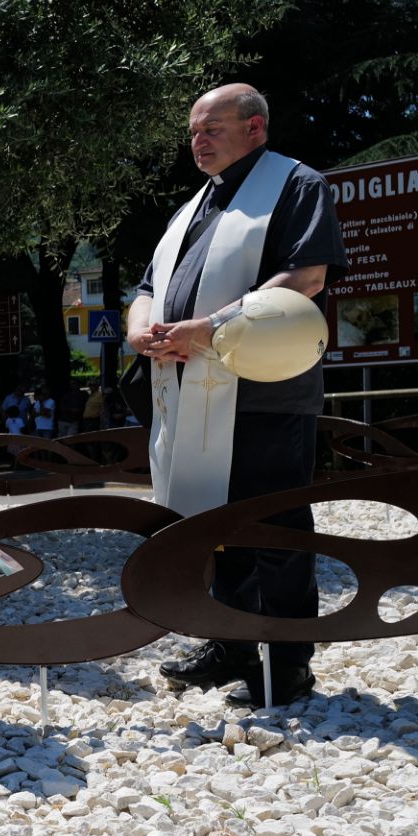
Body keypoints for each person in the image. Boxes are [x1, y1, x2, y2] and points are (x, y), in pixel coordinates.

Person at [130, 83, 347, 708]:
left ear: (255, 127)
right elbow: (148, 286)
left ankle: (287, 664)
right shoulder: (193, 205)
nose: (198, 141)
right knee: (213, 524)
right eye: (194, 132)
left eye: (212, 128)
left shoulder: (297, 185)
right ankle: (230, 643)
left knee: (274, 529)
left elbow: (306, 277)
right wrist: (141, 330)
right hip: (191, 385)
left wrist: (209, 328)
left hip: (264, 390)